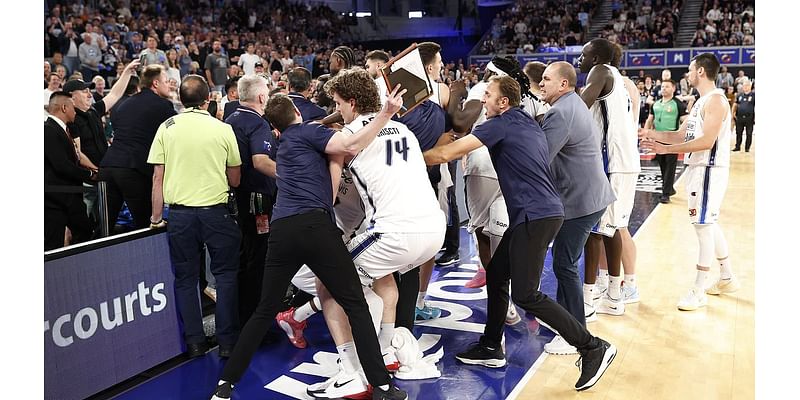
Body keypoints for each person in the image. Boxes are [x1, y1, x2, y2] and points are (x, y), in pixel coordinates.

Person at [210, 85, 409, 400]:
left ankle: (225, 386)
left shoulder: (282, 144)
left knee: (264, 310)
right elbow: (352, 142)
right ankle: (382, 386)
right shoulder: (307, 133)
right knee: (355, 303)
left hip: (282, 230)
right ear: (298, 114)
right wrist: (386, 112)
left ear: (273, 126)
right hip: (315, 227)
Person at [424, 75, 617, 392]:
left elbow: (447, 155)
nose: (482, 100)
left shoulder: (499, 123)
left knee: (526, 294)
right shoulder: (526, 122)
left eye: (487, 95)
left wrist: (404, 157)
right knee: (497, 273)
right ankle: (490, 347)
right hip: (540, 212)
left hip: (534, 216)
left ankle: (592, 346)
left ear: (503, 102)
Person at [305, 69, 445, 398]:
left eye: (338, 104)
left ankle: (351, 369)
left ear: (352, 103)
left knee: (327, 282)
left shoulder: (349, 137)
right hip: (432, 230)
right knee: (382, 281)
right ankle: (384, 350)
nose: (336, 111)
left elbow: (331, 192)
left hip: (395, 232)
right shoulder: (403, 128)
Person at [148, 74, 243, 359]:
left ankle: (195, 343)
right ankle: (227, 343)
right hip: (216, 213)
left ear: (180, 98)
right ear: (208, 100)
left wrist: (155, 218)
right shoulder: (222, 128)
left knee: (186, 279)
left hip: (180, 216)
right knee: (225, 276)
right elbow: (235, 179)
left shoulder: (167, 127)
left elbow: (157, 178)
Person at [639, 53, 739, 311]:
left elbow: (707, 142)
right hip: (698, 169)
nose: (688, 73)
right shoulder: (700, 101)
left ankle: (698, 289)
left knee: (703, 227)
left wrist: (665, 151)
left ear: (701, 72)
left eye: (691, 69)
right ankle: (726, 276)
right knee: (709, 223)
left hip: (708, 170)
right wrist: (652, 134)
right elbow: (680, 134)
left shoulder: (716, 101)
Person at [536, 62, 616, 355]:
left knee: (564, 263)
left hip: (581, 201)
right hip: (588, 196)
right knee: (562, 259)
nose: (541, 84)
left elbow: (539, 157)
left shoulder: (560, 112)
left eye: (546, 79)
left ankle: (575, 333)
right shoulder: (572, 103)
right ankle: (564, 320)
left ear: (564, 84)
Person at [578, 38, 641, 317]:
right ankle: (614, 294)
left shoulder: (601, 71)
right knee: (613, 228)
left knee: (594, 230)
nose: (580, 59)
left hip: (611, 162)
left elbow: (578, 109)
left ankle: (588, 300)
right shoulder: (622, 81)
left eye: (583, 54)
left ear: (597, 58)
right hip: (626, 162)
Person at [224, 75, 278, 324]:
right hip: (257, 198)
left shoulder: (230, 119)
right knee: (258, 257)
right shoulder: (257, 123)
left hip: (237, 195)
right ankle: (257, 320)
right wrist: (294, 175)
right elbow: (261, 161)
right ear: (261, 97)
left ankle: (242, 314)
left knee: (246, 255)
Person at [66, 60, 139, 234]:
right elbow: (77, 152)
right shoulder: (71, 119)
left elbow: (114, 95)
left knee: (103, 221)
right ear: (71, 96)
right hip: (88, 181)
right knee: (83, 221)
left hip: (104, 176)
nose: (89, 94)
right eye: (84, 91)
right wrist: (95, 170)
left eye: (88, 91)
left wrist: (126, 72)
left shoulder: (93, 111)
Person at [100, 64, 176, 232]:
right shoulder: (163, 106)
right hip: (134, 170)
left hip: (109, 167)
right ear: (155, 83)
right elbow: (177, 135)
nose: (169, 85)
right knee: (146, 226)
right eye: (166, 81)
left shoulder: (123, 105)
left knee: (104, 227)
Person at [44, 92, 97, 250]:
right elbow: (62, 165)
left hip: (69, 197)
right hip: (56, 199)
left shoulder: (62, 130)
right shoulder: (48, 130)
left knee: (85, 232)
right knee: (53, 244)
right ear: (64, 107)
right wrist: (89, 175)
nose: (75, 112)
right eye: (73, 108)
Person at [644, 79, 687, 203]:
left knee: (670, 166)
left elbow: (685, 119)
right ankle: (669, 188)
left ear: (673, 88)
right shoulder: (656, 104)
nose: (664, 89)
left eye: (667, 87)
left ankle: (666, 194)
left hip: (672, 139)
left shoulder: (678, 104)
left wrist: (684, 133)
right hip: (658, 138)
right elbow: (650, 119)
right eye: (662, 86)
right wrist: (646, 133)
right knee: (662, 165)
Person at [732, 80, 755, 152]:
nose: (744, 87)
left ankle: (747, 148)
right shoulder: (740, 95)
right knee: (738, 132)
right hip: (739, 117)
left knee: (749, 133)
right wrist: (733, 113)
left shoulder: (754, 95)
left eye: (746, 85)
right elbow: (735, 104)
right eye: (744, 85)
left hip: (750, 117)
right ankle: (737, 146)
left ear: (750, 86)